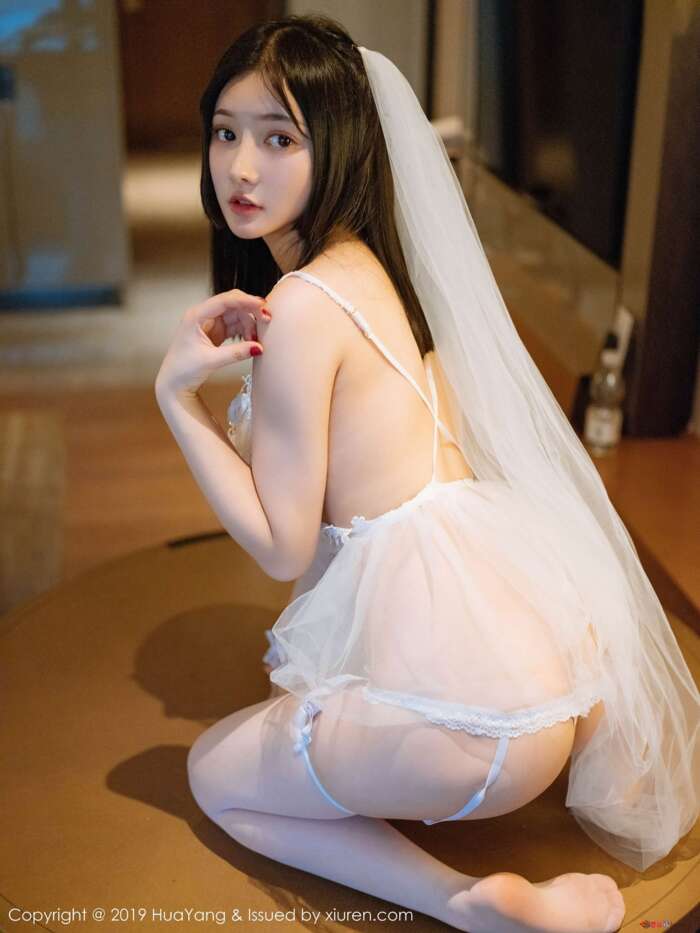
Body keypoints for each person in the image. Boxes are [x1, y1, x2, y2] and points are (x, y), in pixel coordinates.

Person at [155, 13, 698, 933]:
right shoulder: (375, 271)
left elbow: (285, 548)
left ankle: (465, 902)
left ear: (339, 144)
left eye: (280, 139)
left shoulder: (301, 305)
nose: (241, 168)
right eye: (226, 132)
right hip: (548, 704)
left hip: (469, 737)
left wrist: (177, 399)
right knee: (286, 733)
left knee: (212, 774)